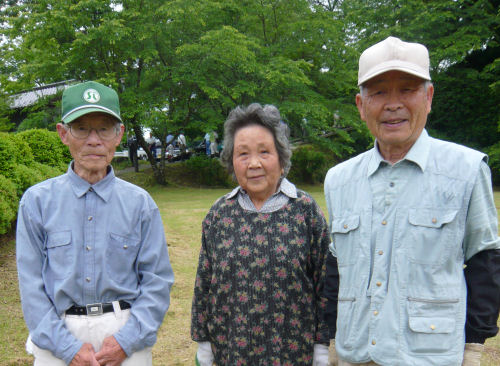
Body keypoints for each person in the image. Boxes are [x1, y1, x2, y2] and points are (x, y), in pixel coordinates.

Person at [324, 36, 500, 366]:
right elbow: (336, 269)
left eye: (407, 89)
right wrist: (332, 340)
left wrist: (473, 347)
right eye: (378, 92)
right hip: (355, 352)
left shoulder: (466, 170)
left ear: (428, 97)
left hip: (431, 357)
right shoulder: (339, 179)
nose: (393, 104)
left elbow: (485, 263)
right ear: (361, 106)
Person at [16, 81, 175, 366]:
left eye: (104, 128)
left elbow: (157, 281)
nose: (94, 140)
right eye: (82, 128)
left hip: (126, 334)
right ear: (63, 134)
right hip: (58, 334)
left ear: (119, 135)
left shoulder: (140, 204)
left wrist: (125, 341)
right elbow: (31, 287)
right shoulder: (36, 202)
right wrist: (67, 348)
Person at [191, 103, 330, 365]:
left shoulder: (305, 210)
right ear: (232, 160)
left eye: (264, 152)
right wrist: (204, 346)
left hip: (293, 353)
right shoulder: (219, 215)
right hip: (231, 352)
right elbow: (204, 285)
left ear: (281, 157)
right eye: (243, 154)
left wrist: (321, 348)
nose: (254, 163)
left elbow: (325, 284)